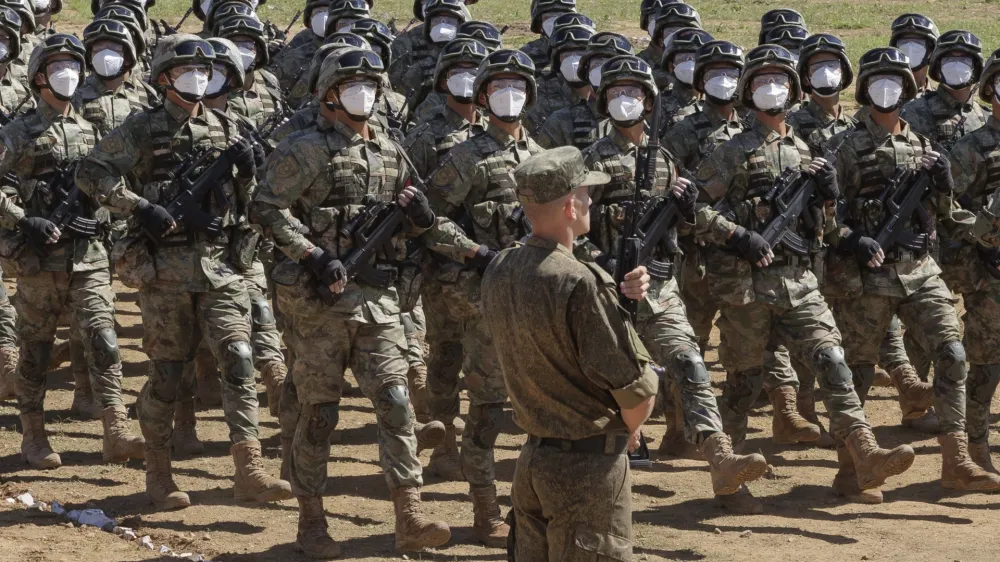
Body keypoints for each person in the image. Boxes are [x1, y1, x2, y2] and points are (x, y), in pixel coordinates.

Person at [255, 46, 475, 556]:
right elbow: (266, 207)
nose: (365, 94)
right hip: (319, 307)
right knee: (318, 415)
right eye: (353, 85)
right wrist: (311, 253)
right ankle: (312, 521)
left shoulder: (390, 152)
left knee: (397, 406)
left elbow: (425, 222)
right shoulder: (304, 150)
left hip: (379, 303)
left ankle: (410, 516)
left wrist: (462, 244)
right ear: (328, 94)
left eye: (372, 85)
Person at [76, 34, 292, 510]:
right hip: (166, 273)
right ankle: (158, 470)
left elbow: (252, 201)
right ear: (163, 78)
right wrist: (140, 206)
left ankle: (248, 469)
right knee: (169, 375)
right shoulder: (141, 127)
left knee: (238, 357)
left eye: (205, 70)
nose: (199, 78)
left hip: (221, 268)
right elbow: (91, 173)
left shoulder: (228, 125)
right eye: (187, 70)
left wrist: (250, 170)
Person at [696, 44, 916, 504]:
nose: (770, 89)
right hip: (747, 287)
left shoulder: (807, 150)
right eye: (759, 82)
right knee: (743, 384)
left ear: (794, 90)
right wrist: (737, 235)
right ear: (746, 91)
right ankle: (728, 474)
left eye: (778, 81)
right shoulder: (728, 149)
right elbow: (693, 209)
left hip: (800, 282)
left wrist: (830, 198)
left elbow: (828, 227)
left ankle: (862, 457)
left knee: (833, 361)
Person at [583, 54, 768, 513]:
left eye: (633, 93)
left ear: (649, 101)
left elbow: (691, 221)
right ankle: (601, 480)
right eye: (615, 93)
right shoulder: (591, 160)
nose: (624, 101)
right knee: (610, 385)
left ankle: (719, 458)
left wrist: (726, 229)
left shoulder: (663, 159)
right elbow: (570, 229)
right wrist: (602, 262)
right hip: (607, 291)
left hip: (661, 288)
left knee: (690, 363)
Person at [830, 46, 1000, 494]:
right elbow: (824, 214)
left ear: (907, 88)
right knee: (859, 370)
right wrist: (851, 239)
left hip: (921, 270)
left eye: (894, 80)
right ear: (864, 89)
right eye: (876, 81)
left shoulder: (921, 145)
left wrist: (946, 190)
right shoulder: (846, 148)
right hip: (869, 276)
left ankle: (956, 460)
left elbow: (942, 214)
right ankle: (853, 467)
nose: (885, 89)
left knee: (953, 354)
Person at [482, 145, 657, 560]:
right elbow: (638, 392)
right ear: (567, 206)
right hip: (588, 472)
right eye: (584, 193)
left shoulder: (500, 267)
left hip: (533, 461)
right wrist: (629, 427)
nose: (590, 200)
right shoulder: (578, 281)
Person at [0, 33, 145, 470]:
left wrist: (122, 222)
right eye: (58, 66)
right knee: (36, 349)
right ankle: (34, 435)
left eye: (73, 66)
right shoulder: (17, 133)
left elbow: (112, 186)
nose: (69, 74)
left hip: (90, 257)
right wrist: (24, 218)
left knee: (103, 338)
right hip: (39, 261)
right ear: (39, 77)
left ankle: (115, 428)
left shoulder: (92, 130)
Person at [425, 47, 545, 546]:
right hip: (483, 299)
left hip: (538, 300)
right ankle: (485, 509)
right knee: (489, 409)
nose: (509, 95)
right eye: (498, 87)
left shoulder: (543, 158)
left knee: (541, 408)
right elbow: (429, 221)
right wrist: (474, 252)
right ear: (482, 96)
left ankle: (537, 507)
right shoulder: (467, 157)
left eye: (517, 86)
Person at [930, 47, 1000, 474]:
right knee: (986, 369)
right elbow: (949, 213)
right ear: (990, 87)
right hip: (989, 277)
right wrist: (988, 239)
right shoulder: (972, 148)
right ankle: (975, 452)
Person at [534, 31, 632, 149]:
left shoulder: (645, 121)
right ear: (586, 72)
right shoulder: (562, 121)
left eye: (612, 65)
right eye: (597, 64)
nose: (603, 70)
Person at [523, 22, 593, 136]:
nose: (573, 60)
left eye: (581, 52)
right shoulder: (540, 92)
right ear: (556, 60)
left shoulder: (608, 92)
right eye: (566, 54)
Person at [270, 0, 328, 93]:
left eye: (329, 11)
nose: (324, 16)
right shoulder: (302, 40)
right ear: (309, 19)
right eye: (319, 12)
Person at [657, 27, 710, 128]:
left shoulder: (717, 104)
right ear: (671, 66)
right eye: (682, 58)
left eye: (696, 58)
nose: (690, 63)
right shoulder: (659, 105)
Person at [519, 0, 576, 78]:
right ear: (539, 23)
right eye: (549, 17)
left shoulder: (585, 51)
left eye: (562, 15)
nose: (555, 21)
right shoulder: (525, 55)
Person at [889, 13, 938, 94]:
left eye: (918, 42)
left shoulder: (941, 101)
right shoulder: (884, 97)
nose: (910, 47)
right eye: (904, 42)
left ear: (931, 50)